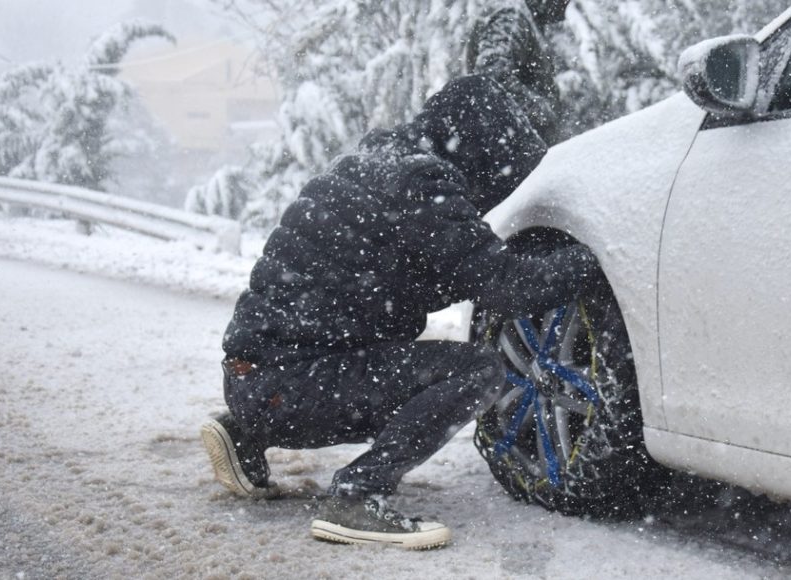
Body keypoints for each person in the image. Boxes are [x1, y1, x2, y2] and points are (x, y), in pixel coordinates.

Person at [199, 75, 597, 550]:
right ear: (479, 150)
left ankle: (243, 429)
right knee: (477, 370)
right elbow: (507, 289)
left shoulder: (377, 167)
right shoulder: (423, 189)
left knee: (371, 350)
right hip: (292, 385)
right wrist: (598, 255)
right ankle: (355, 496)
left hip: (256, 377)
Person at [467, 0, 572, 145]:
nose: (565, 5)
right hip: (512, 148)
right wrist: (541, 112)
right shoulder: (512, 15)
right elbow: (491, 76)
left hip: (518, 145)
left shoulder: (524, 17)